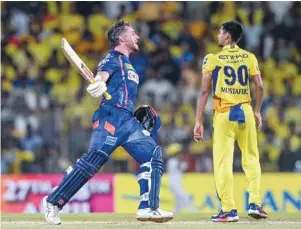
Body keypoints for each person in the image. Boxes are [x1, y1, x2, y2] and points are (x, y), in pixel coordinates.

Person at [43, 20, 173, 225]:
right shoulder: (112, 58)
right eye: (133, 33)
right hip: (110, 116)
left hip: (128, 120)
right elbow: (101, 76)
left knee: (153, 154)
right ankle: (53, 203)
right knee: (92, 163)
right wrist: (99, 84)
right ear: (122, 38)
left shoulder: (129, 63)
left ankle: (149, 207)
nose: (137, 36)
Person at [193, 21, 267, 222]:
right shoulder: (249, 57)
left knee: (223, 163)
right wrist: (258, 111)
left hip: (224, 114)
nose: (217, 36)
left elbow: (204, 91)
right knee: (251, 158)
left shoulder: (212, 58)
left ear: (227, 36)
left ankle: (228, 210)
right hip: (246, 111)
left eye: (220, 32)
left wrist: (198, 121)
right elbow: (259, 86)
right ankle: (255, 204)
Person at [166, 144, 197, 213]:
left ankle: (176, 211)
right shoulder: (172, 161)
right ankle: (192, 210)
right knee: (184, 196)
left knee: (178, 199)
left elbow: (185, 166)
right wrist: (180, 160)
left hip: (178, 183)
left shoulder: (181, 162)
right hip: (173, 184)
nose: (180, 155)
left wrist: (184, 159)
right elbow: (176, 167)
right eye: (178, 153)